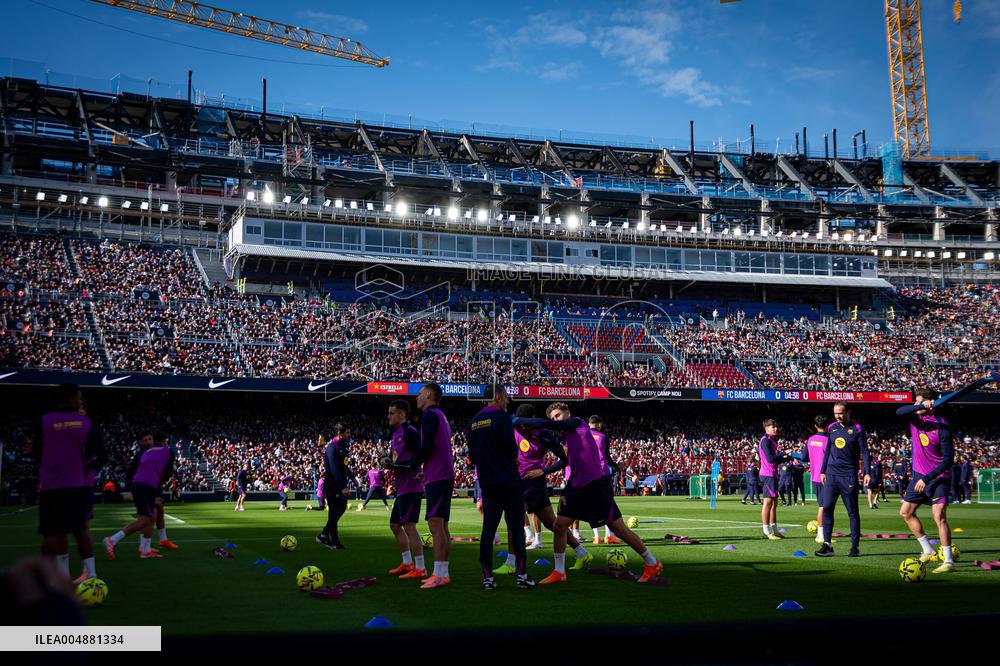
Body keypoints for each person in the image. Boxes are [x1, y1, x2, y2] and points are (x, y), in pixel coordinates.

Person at [522, 402, 662, 585]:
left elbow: (560, 426)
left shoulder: (578, 423)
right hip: (576, 486)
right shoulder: (565, 439)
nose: (556, 419)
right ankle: (559, 571)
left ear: (567, 412)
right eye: (553, 418)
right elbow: (568, 462)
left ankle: (652, 563)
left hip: (595, 483)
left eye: (558, 415)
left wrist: (519, 420)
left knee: (618, 528)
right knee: (559, 525)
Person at [492, 403, 591, 575]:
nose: (522, 427)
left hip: (534, 484)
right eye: (520, 424)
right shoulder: (512, 428)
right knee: (544, 522)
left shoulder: (544, 435)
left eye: (525, 424)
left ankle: (511, 562)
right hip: (517, 482)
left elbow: (564, 459)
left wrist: (543, 471)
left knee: (522, 520)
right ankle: (581, 552)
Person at [466, 385, 536, 590]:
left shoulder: (473, 422)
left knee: (488, 528)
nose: (508, 401)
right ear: (497, 397)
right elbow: (511, 449)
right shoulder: (503, 418)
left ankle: (487, 577)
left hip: (487, 482)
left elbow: (472, 457)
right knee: (516, 527)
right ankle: (522, 575)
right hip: (508, 480)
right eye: (506, 397)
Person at [35, 384, 106, 581]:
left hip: (50, 486)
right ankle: (92, 575)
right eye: (79, 397)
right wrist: (79, 464)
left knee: (51, 534)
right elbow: (101, 456)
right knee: (80, 530)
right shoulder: (87, 424)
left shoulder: (43, 421)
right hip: (76, 485)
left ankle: (50, 580)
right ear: (73, 399)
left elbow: (36, 452)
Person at [897, 389, 956, 574]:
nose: (916, 405)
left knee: (939, 516)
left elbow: (948, 460)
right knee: (905, 513)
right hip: (918, 476)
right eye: (916, 402)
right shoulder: (916, 420)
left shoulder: (943, 427)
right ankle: (928, 550)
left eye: (920, 401)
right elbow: (899, 411)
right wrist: (921, 405)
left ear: (932, 403)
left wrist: (927, 478)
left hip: (937, 478)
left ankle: (948, 560)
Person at [103, 431, 172, 560]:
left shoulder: (148, 452)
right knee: (145, 519)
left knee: (151, 517)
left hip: (146, 487)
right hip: (144, 487)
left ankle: (145, 550)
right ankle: (113, 540)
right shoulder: (148, 453)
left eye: (149, 439)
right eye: (145, 440)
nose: (148, 442)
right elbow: (153, 473)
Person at [412, 383, 455, 589]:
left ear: (429, 395)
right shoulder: (441, 415)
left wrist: (412, 464)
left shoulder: (429, 415)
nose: (416, 398)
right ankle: (443, 572)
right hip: (443, 473)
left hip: (438, 475)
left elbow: (426, 446)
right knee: (442, 526)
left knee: (435, 524)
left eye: (419, 394)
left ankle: (439, 574)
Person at [815, 402, 870, 558]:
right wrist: (823, 470)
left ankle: (854, 547)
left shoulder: (858, 429)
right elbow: (828, 450)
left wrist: (867, 472)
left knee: (852, 512)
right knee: (827, 508)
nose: (838, 416)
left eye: (840, 413)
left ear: (848, 412)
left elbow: (865, 452)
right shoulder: (832, 428)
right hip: (831, 475)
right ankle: (827, 545)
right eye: (835, 413)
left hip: (848, 475)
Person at [382, 399, 427, 579]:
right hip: (402, 486)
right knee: (395, 525)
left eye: (392, 413)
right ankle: (407, 563)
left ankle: (421, 567)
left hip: (411, 486)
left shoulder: (409, 431)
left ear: (402, 415)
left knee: (409, 526)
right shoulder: (396, 433)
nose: (388, 416)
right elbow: (399, 458)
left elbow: (420, 455)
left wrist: (411, 469)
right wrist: (388, 462)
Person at [316, 423, 356, 550]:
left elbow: (344, 466)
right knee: (333, 513)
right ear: (340, 433)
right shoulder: (331, 448)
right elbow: (334, 469)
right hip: (332, 486)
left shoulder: (344, 446)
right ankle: (335, 542)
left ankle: (323, 534)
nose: (349, 435)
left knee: (341, 509)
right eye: (347, 433)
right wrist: (343, 487)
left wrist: (352, 477)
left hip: (340, 484)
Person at [588, 415, 622, 545]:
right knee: (608, 504)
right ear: (600, 424)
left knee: (592, 504)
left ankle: (596, 537)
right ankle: (609, 536)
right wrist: (616, 466)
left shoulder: (583, 435)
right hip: (603, 472)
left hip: (589, 473)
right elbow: (607, 457)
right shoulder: (603, 437)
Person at [758, 419, 787, 540]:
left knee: (774, 503)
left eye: (776, 426)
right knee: (768, 502)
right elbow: (770, 459)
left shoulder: (771, 440)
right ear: (766, 428)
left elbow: (775, 459)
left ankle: (775, 530)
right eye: (772, 427)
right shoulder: (765, 441)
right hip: (767, 474)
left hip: (773, 474)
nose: (775, 429)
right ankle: (765, 531)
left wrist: (786, 457)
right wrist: (782, 454)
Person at [802, 416, 828, 544]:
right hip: (826, 477)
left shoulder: (810, 440)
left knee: (823, 505)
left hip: (815, 477)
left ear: (815, 425)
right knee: (824, 506)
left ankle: (823, 533)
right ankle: (820, 535)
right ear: (827, 426)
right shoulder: (828, 440)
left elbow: (803, 457)